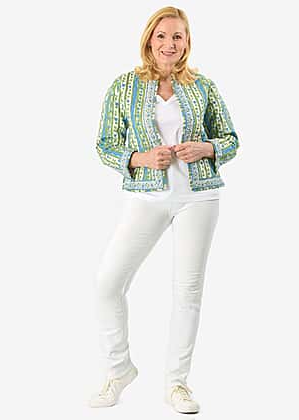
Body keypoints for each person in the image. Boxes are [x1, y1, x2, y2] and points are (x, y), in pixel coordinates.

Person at [89, 6, 240, 415]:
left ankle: (177, 384)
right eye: (162, 36)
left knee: (187, 292)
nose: (170, 44)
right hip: (146, 196)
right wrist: (139, 158)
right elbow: (105, 144)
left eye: (178, 36)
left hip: (199, 197)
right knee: (107, 283)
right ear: (149, 40)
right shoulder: (124, 86)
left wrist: (206, 148)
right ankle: (119, 370)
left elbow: (230, 138)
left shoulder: (203, 86)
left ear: (187, 42)